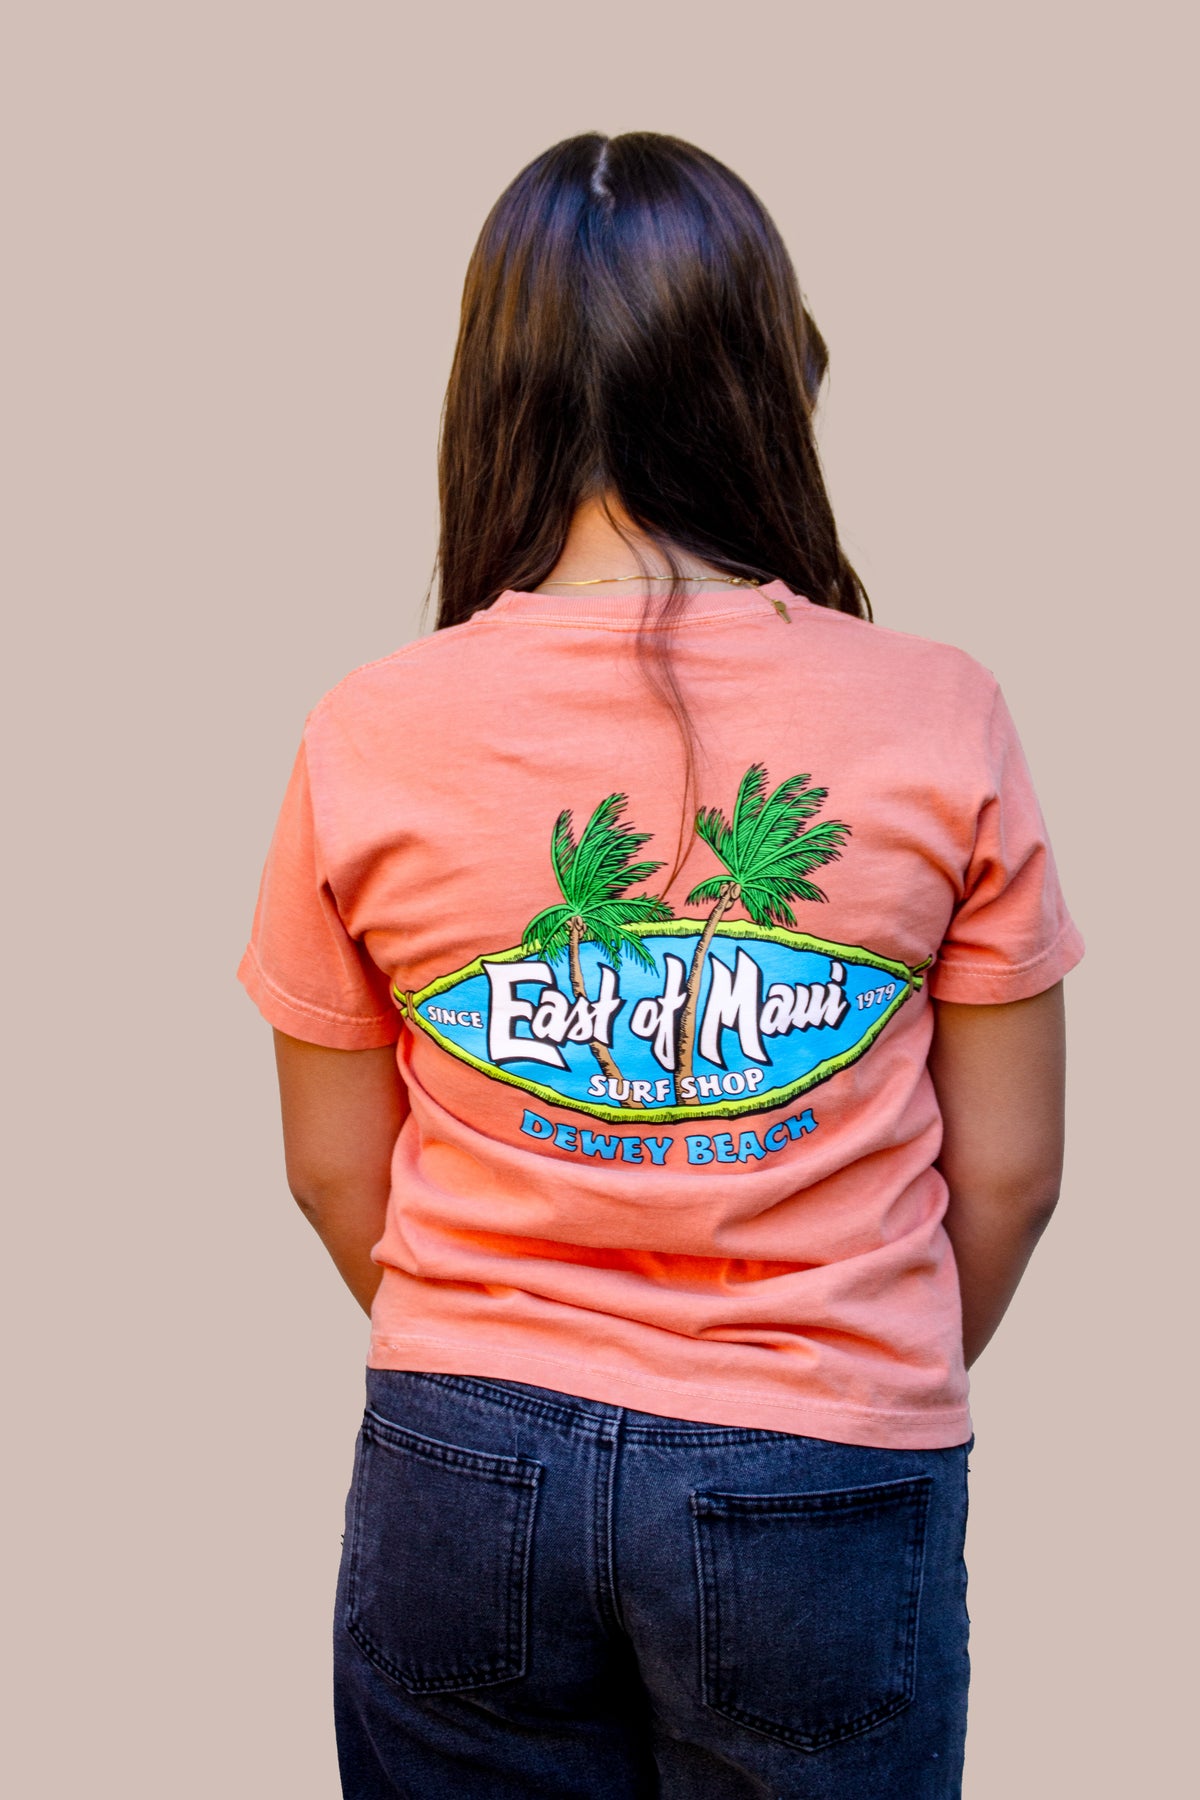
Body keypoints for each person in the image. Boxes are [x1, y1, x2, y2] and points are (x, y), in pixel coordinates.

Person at [238, 132, 1083, 1799]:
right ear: (767, 379)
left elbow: (335, 1175)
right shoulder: (942, 711)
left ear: (494, 394)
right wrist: (849, 1365)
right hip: (821, 1458)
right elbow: (1014, 1176)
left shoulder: (366, 730)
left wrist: (506, 1342)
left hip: (461, 1453)